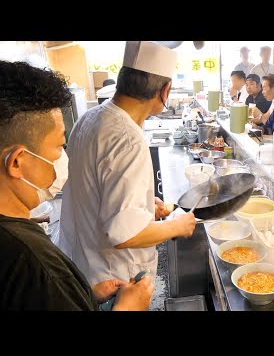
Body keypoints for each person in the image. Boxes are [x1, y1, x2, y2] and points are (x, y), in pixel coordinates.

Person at [0, 60, 153, 310]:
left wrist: (85, 296)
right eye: (60, 147)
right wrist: (129, 307)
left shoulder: (17, 238)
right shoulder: (31, 260)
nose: (64, 158)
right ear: (17, 162)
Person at [59, 42, 197, 285]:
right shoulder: (128, 140)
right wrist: (177, 226)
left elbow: (97, 191)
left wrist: (141, 207)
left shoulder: (91, 117)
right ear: (165, 91)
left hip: (83, 265)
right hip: (115, 279)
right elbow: (125, 234)